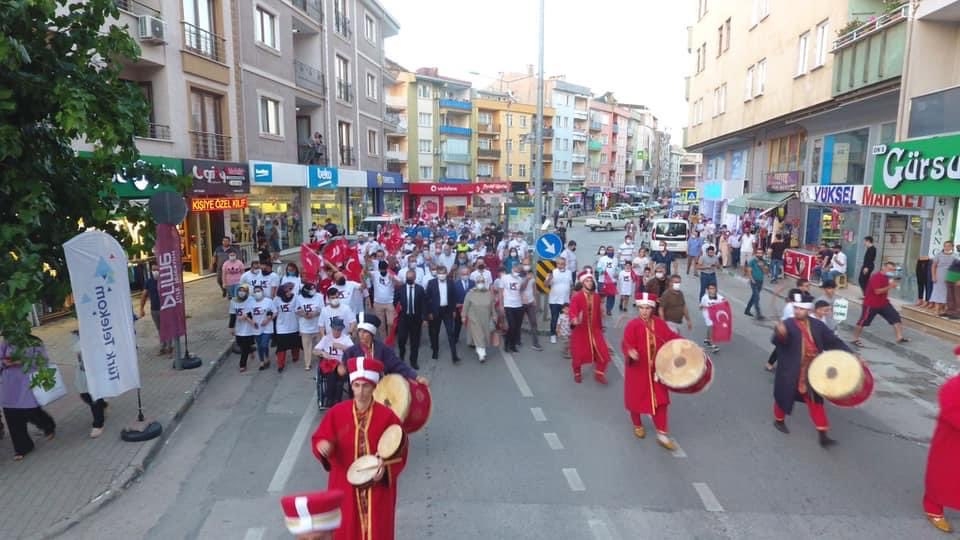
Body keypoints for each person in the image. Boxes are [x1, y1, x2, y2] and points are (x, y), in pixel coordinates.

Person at [310, 357, 407, 540]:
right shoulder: (336, 413)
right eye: (356, 386)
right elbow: (320, 438)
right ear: (351, 386)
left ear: (374, 388)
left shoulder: (387, 417)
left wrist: (385, 469)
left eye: (366, 386)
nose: (361, 391)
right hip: (344, 486)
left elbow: (401, 449)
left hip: (377, 489)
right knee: (346, 531)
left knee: (377, 531)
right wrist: (322, 446)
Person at [771, 292, 855, 447]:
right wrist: (780, 334)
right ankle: (779, 420)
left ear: (808, 310)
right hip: (791, 369)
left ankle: (823, 434)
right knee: (784, 396)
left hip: (812, 370)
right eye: (795, 308)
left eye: (800, 309)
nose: (797, 311)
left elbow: (833, 341)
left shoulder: (817, 326)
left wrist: (852, 355)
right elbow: (777, 341)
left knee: (816, 401)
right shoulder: (788, 324)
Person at [621, 292, 683, 451]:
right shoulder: (632, 325)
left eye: (647, 308)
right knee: (635, 399)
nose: (644, 311)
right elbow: (626, 343)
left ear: (652, 309)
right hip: (638, 371)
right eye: (641, 307)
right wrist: (630, 352)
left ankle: (662, 434)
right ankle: (637, 424)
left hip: (657, 371)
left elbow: (670, 337)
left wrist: (687, 346)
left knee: (661, 401)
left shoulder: (659, 324)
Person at [922, 344, 960, 533]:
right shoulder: (953, 386)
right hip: (951, 443)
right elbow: (952, 413)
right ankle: (933, 508)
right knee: (943, 476)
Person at [0, 337, 57, 460]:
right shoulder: (6, 342)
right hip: (10, 384)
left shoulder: (33, 341)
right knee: (12, 415)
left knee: (30, 410)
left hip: (27, 382)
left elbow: (44, 361)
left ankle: (48, 425)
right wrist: (5, 363)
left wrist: (24, 361)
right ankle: (23, 447)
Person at [343, 313, 429, 386]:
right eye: (359, 331)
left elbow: (397, 365)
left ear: (372, 333)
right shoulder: (350, 352)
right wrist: (339, 371)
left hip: (380, 389)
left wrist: (416, 377)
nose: (361, 334)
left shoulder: (383, 349)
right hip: (359, 393)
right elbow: (343, 373)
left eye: (365, 332)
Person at [851, 261, 909, 347]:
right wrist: (890, 286)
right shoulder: (876, 277)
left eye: (893, 270)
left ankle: (899, 337)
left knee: (895, 317)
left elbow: (889, 286)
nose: (891, 271)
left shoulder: (887, 277)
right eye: (889, 269)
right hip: (871, 304)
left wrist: (893, 284)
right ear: (883, 267)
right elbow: (877, 291)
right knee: (863, 321)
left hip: (883, 303)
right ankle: (855, 338)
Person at [568, 272, 611, 384]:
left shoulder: (596, 297)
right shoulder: (577, 297)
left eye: (591, 280)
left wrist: (601, 328)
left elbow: (598, 314)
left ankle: (599, 374)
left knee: (604, 353)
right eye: (587, 281)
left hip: (595, 330)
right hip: (581, 331)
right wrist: (574, 319)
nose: (590, 283)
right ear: (582, 283)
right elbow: (572, 312)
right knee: (578, 355)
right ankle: (577, 374)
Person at [71, 330, 108, 438]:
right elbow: (76, 349)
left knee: (94, 397)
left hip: (96, 370)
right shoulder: (75, 333)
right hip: (82, 370)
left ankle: (98, 424)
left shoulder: (96, 330)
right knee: (84, 395)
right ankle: (103, 405)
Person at [313, 317, 353, 409]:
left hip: (342, 365)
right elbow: (314, 350)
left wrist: (342, 347)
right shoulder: (326, 338)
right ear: (332, 328)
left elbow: (354, 351)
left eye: (339, 330)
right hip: (329, 365)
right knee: (331, 374)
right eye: (335, 329)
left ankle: (334, 399)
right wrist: (322, 353)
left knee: (338, 375)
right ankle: (331, 398)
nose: (337, 332)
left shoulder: (346, 339)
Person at [425, 266, 461, 363]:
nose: (441, 275)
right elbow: (427, 299)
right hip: (435, 311)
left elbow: (453, 297)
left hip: (447, 311)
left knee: (451, 333)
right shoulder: (431, 283)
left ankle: (454, 355)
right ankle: (435, 351)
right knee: (435, 333)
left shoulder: (450, 282)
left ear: (446, 273)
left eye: (443, 273)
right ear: (437, 273)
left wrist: (454, 310)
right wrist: (429, 313)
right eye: (440, 273)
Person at [138, 263, 174, 355]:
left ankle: (170, 347)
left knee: (167, 327)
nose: (155, 272)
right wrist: (141, 308)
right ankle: (163, 346)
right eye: (153, 270)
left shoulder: (165, 280)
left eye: (156, 269)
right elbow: (144, 295)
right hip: (154, 310)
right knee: (160, 329)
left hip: (165, 309)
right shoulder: (149, 281)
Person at [394, 270, 427, 369]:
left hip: (416, 319)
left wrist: (424, 318)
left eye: (411, 278)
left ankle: (413, 361)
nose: (409, 280)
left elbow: (424, 304)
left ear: (414, 278)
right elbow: (395, 301)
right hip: (403, 318)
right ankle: (401, 356)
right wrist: (396, 309)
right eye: (407, 278)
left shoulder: (420, 289)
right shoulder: (401, 289)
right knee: (401, 339)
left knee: (415, 341)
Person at [462, 274, 494, 363]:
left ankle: (479, 348)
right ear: (475, 283)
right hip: (474, 318)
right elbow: (466, 305)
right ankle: (481, 354)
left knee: (483, 335)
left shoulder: (488, 293)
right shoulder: (470, 293)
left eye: (482, 282)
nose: (480, 283)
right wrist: (463, 316)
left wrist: (494, 316)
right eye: (478, 282)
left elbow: (492, 306)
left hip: (485, 318)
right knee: (479, 335)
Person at [497, 265, 528, 353]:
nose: (517, 271)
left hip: (518, 304)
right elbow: (500, 292)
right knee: (512, 326)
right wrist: (501, 305)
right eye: (516, 269)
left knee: (517, 327)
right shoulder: (504, 278)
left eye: (519, 270)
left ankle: (513, 345)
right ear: (512, 268)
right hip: (508, 304)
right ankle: (507, 343)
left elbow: (522, 289)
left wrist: (526, 280)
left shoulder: (520, 278)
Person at [295, 283, 325, 371]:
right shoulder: (299, 298)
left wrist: (314, 314)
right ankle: (307, 364)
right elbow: (297, 309)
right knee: (307, 347)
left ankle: (322, 360)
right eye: (311, 289)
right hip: (305, 327)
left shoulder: (319, 296)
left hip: (317, 325)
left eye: (314, 288)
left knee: (320, 345)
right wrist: (304, 314)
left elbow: (321, 309)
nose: (313, 290)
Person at [273, 283, 302, 373]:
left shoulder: (295, 298)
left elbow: (298, 309)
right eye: (287, 291)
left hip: (294, 325)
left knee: (295, 344)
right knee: (281, 347)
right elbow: (274, 310)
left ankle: (295, 357)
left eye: (290, 290)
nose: (289, 292)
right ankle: (280, 364)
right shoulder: (277, 299)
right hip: (281, 326)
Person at [228, 284, 257, 372]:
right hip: (239, 326)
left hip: (249, 326)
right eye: (240, 290)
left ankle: (242, 364)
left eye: (244, 291)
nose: (242, 293)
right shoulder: (233, 301)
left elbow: (253, 311)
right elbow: (232, 315)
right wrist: (231, 327)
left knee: (244, 346)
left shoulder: (251, 300)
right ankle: (251, 350)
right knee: (240, 343)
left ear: (247, 292)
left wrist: (246, 316)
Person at [546, 256, 573, 344]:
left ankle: (563, 333)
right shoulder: (553, 272)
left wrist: (571, 297)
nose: (560, 265)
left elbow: (571, 285)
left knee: (565, 318)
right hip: (554, 300)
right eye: (558, 263)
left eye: (562, 264)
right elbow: (545, 284)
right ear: (556, 264)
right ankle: (553, 335)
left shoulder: (569, 273)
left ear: (565, 264)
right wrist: (549, 277)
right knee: (554, 318)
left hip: (565, 301)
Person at [249, 285, 275, 370]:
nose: (257, 293)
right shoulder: (251, 303)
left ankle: (267, 357)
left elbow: (274, 312)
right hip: (256, 328)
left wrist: (267, 320)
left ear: (262, 292)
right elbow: (248, 315)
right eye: (255, 291)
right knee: (259, 345)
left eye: (259, 291)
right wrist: (252, 321)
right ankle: (262, 361)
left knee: (264, 344)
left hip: (267, 327)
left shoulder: (268, 301)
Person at [930, 241, 955, 315]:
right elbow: (933, 266)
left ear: (952, 247)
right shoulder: (938, 255)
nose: (947, 247)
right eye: (945, 246)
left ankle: (946, 310)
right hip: (939, 276)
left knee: (948, 293)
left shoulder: (955, 256)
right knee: (937, 292)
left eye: (949, 246)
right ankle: (937, 310)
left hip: (950, 276)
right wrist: (933, 276)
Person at [452, 266, 475, 344]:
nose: (465, 275)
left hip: (471, 308)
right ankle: (455, 338)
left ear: (469, 274)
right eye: (463, 274)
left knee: (472, 325)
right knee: (457, 324)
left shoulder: (473, 283)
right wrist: (454, 307)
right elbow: (453, 297)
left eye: (466, 274)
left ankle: (472, 341)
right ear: (460, 274)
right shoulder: (455, 284)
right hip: (459, 308)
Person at [699, 283, 724, 353]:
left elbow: (724, 303)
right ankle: (713, 345)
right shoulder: (705, 297)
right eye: (710, 288)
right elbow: (700, 307)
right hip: (706, 313)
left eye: (713, 288)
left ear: (716, 289)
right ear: (707, 290)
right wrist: (707, 307)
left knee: (710, 327)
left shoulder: (719, 297)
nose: (711, 290)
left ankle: (707, 339)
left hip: (715, 314)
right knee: (711, 326)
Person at [744, 247, 767, 320]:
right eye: (758, 253)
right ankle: (759, 314)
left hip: (760, 281)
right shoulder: (752, 261)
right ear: (756, 253)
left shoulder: (764, 261)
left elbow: (766, 272)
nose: (759, 254)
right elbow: (749, 271)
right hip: (754, 281)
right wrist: (751, 279)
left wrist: (762, 266)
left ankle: (747, 310)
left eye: (761, 253)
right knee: (757, 297)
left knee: (754, 296)